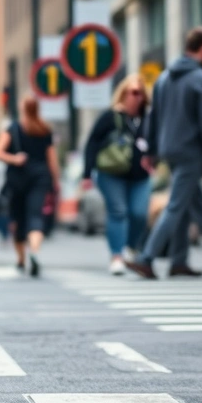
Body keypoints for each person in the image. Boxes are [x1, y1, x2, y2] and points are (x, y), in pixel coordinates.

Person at [127, 27, 202, 280]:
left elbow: (153, 116)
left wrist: (151, 149)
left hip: (169, 150)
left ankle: (180, 261)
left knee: (193, 204)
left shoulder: (163, 79)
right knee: (176, 205)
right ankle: (146, 258)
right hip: (191, 151)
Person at [82, 74, 152, 275]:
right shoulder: (110, 117)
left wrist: (155, 159)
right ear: (123, 94)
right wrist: (87, 174)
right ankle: (116, 256)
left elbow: (156, 142)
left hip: (141, 175)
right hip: (111, 173)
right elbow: (92, 143)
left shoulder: (148, 118)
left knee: (139, 214)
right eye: (134, 93)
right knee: (118, 211)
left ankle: (130, 247)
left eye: (141, 94)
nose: (137, 98)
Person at [0, 97, 60, 277]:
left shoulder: (13, 129)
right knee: (36, 216)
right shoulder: (45, 130)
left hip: (17, 179)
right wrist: (55, 181)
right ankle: (35, 252)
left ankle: (21, 259)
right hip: (40, 177)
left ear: (22, 108)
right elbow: (52, 160)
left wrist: (14, 159)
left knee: (17, 219)